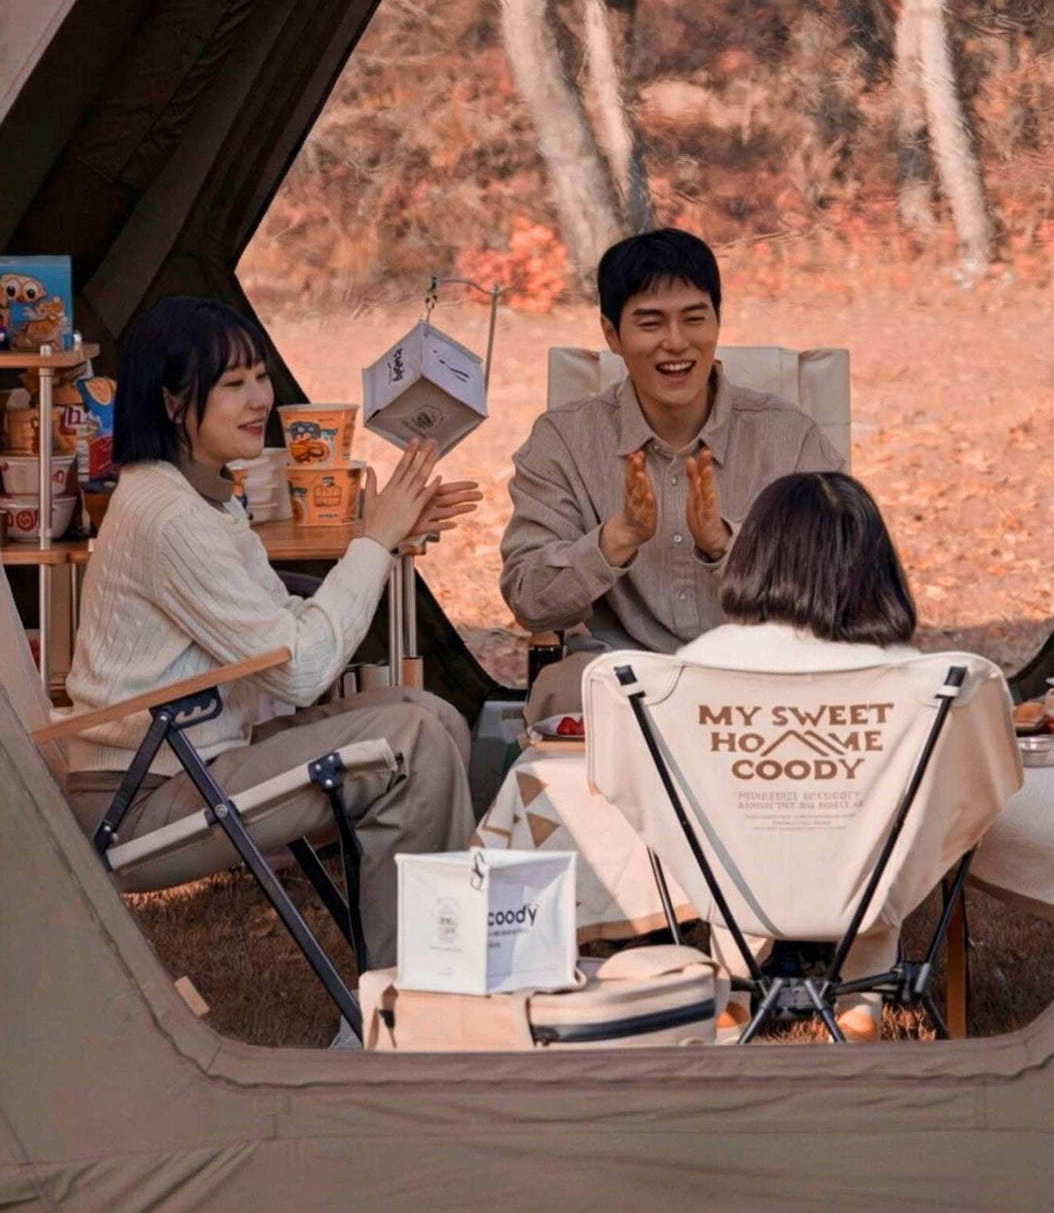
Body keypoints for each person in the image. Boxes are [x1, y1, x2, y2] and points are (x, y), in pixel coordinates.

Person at [63, 296, 482, 985]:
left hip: (198, 759)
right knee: (413, 743)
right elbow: (301, 671)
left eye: (260, 375)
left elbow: (279, 628)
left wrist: (382, 537)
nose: (261, 397)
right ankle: (411, 995)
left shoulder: (201, 497)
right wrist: (373, 542)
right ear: (173, 403)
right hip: (138, 800)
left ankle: (424, 966)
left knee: (430, 713)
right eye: (234, 383)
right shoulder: (168, 517)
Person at [500, 228, 843, 661]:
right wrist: (616, 538)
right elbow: (530, 602)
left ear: (717, 321)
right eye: (650, 323)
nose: (676, 342)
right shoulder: (563, 441)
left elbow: (839, 590)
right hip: (617, 677)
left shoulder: (792, 438)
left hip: (762, 674)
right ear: (612, 335)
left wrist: (725, 546)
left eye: (694, 319)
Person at [678, 468, 920, 1039]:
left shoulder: (699, 665)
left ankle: (731, 985)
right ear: (877, 565)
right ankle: (862, 998)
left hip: (739, 881)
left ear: (754, 557)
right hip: (865, 884)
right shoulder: (919, 678)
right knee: (891, 833)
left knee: (719, 825)